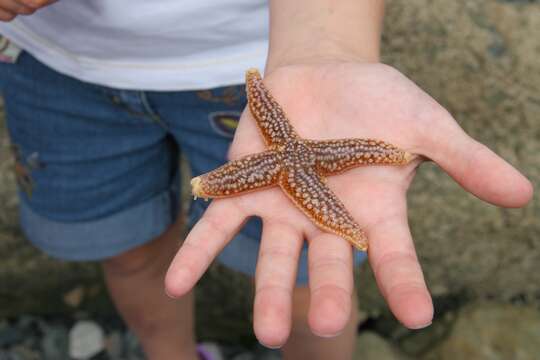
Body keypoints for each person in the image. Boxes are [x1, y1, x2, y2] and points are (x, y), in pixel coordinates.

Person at [0, 1, 533, 359]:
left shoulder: (283, 136)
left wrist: (331, 50)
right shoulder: (285, 154)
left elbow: (324, 151)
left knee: (308, 286)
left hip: (262, 58)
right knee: (130, 252)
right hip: (49, 62)